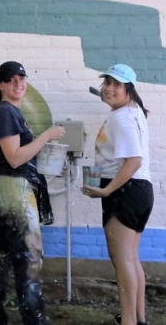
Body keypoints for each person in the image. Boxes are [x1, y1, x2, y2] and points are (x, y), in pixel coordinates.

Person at [0, 61, 66, 325]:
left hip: (8, 189)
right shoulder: (6, 112)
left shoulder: (10, 112)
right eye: (11, 80)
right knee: (29, 258)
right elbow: (15, 158)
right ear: (1, 85)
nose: (18, 83)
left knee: (0, 256)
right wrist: (47, 136)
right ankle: (35, 320)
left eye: (21, 78)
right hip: (13, 189)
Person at [81, 64, 153, 325]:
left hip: (124, 189)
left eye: (116, 85)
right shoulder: (134, 111)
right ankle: (139, 318)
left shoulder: (121, 117)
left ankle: (128, 321)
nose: (109, 89)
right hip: (140, 190)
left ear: (129, 89)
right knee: (131, 258)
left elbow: (133, 160)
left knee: (122, 260)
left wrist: (106, 190)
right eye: (107, 83)